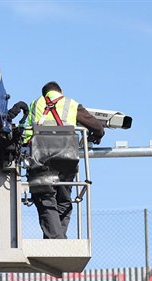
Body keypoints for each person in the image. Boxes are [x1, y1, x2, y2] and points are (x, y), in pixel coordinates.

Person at [23, 81, 105, 239]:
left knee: (45, 198)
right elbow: (98, 128)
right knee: (63, 200)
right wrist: (96, 136)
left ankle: (55, 240)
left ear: (44, 94)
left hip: (41, 157)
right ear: (60, 92)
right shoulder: (71, 104)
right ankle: (58, 240)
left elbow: (26, 133)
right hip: (67, 156)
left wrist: (26, 151)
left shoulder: (34, 104)